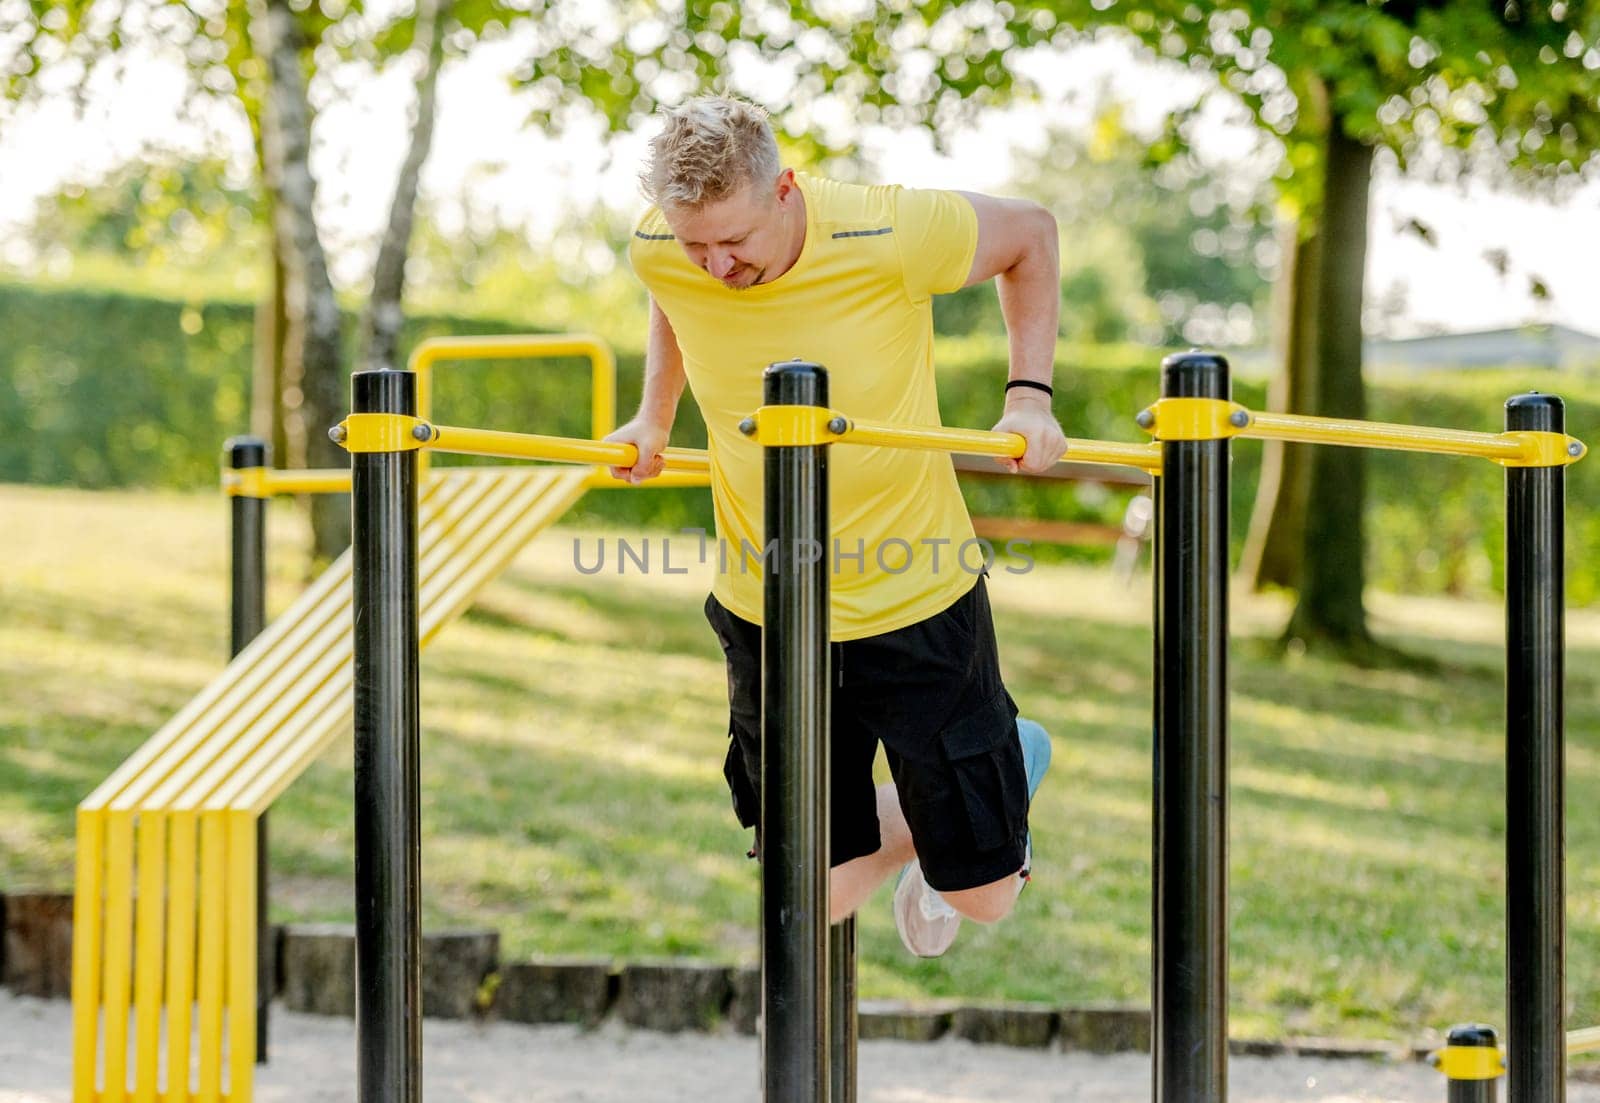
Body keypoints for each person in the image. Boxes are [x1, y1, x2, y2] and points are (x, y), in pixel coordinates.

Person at [607, 95, 1067, 957]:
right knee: (803, 895)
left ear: (784, 189)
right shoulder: (665, 247)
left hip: (913, 594)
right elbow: (673, 296)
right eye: (694, 243)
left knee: (985, 897)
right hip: (767, 604)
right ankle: (927, 824)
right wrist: (653, 420)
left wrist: (1027, 397)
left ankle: (1007, 766)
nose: (713, 264)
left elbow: (1031, 235)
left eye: (733, 241)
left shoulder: (887, 230)